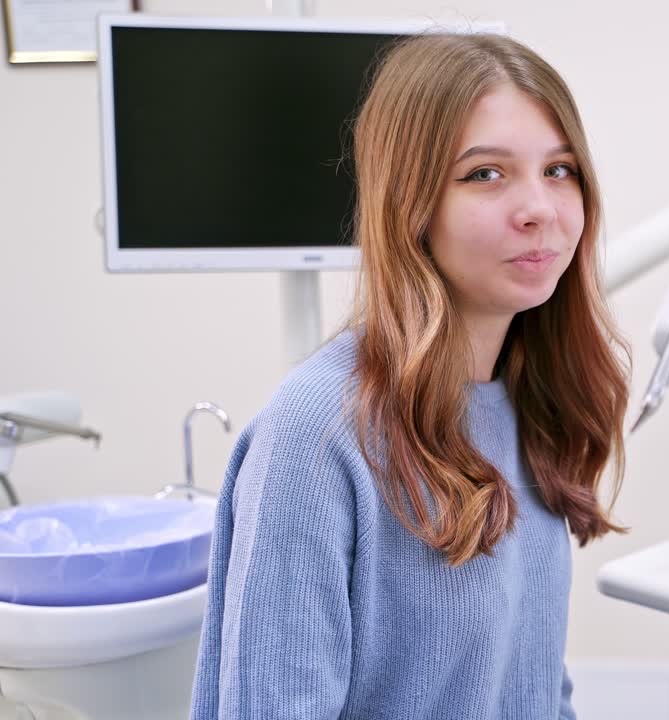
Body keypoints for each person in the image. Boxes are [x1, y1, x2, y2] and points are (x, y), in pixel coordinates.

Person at [189, 31, 631, 719]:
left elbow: (535, 686)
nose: (539, 209)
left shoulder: (528, 403)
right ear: (411, 202)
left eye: (560, 169)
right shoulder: (316, 434)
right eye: (485, 173)